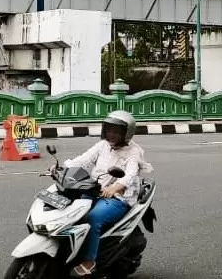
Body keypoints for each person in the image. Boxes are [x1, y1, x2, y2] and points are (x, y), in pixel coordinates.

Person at [57, 110, 153, 277]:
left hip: (118, 197)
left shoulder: (134, 151)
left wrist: (114, 187)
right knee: (70, 211)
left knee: (93, 218)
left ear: (126, 133)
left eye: (116, 131)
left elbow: (130, 174)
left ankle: (90, 261)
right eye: (109, 130)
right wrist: (60, 169)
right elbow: (83, 160)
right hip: (94, 189)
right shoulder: (103, 145)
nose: (111, 134)